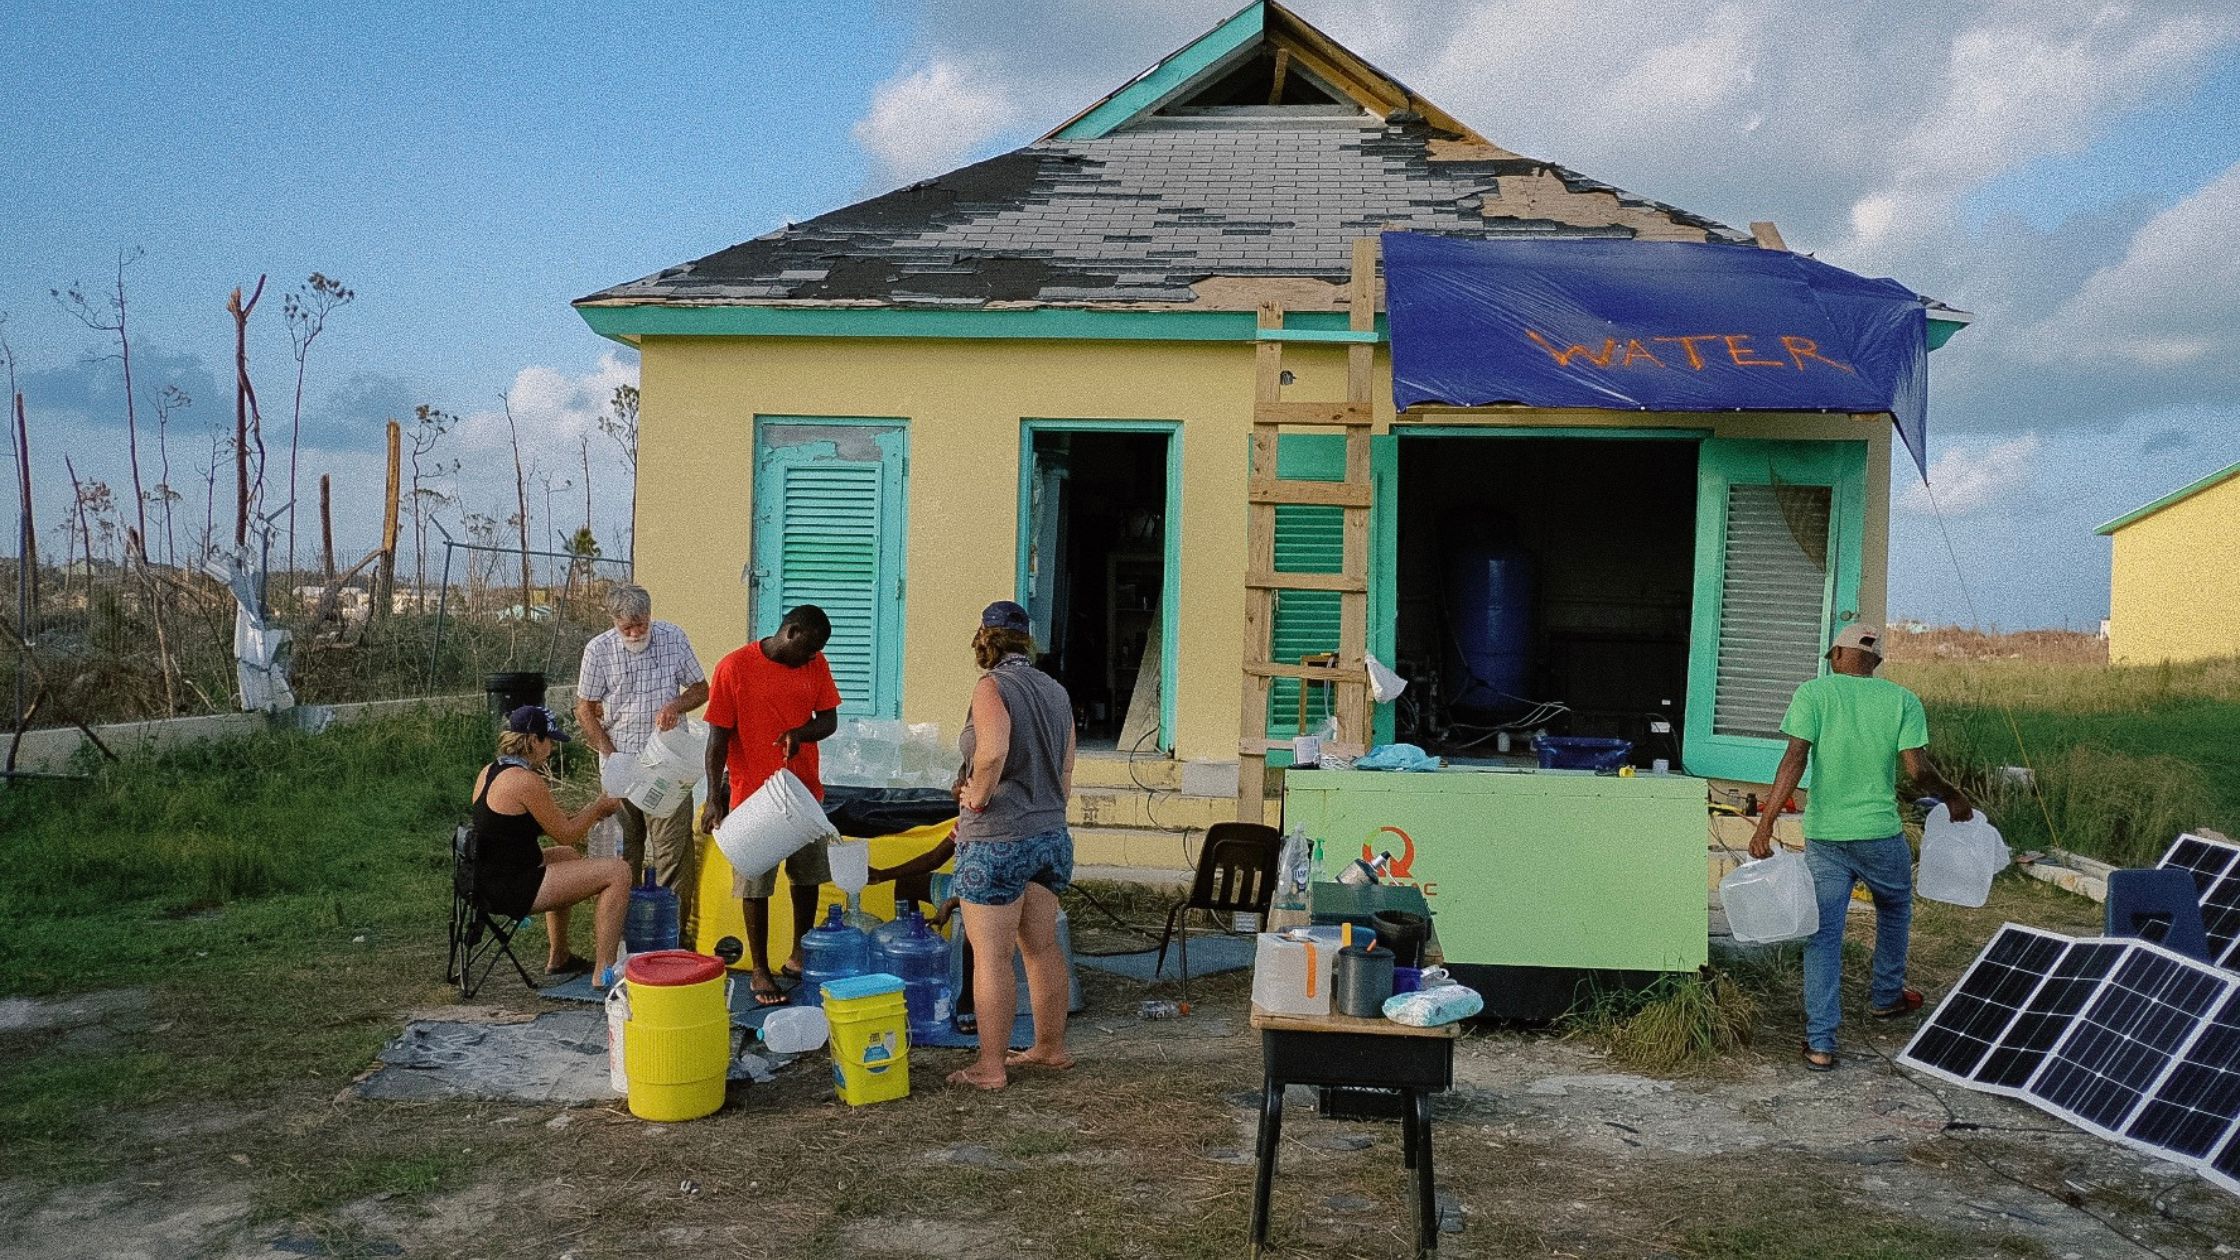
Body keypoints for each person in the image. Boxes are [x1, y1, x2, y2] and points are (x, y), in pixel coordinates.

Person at [1750, 623, 1974, 1072]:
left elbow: (1793, 759)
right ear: (1875, 661)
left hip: (1827, 836)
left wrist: (1766, 823)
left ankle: (1820, 1043)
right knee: (1894, 907)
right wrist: (1952, 795)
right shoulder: (1902, 700)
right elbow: (1918, 770)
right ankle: (1887, 997)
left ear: (1836, 655)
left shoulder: (1813, 695)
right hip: (1879, 833)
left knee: (1824, 934)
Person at [947, 600, 1077, 1090]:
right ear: (1028, 640)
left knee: (992, 957)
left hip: (997, 838)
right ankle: (1050, 1046)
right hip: (1049, 834)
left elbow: (994, 748)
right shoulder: (1056, 691)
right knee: (1041, 948)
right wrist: (1045, 807)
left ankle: (990, 1066)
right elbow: (1066, 771)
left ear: (985, 639)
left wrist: (976, 798)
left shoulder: (991, 686)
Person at [698, 605, 841, 1006]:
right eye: (809, 650)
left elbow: (828, 721)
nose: (814, 658)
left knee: (808, 877)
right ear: (791, 633)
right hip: (752, 798)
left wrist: (801, 732)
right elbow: (717, 742)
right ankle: (759, 969)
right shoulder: (734, 667)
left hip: (803, 793)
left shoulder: (815, 663)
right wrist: (713, 798)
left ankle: (799, 955)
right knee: (756, 884)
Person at [574, 583, 709, 943]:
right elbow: (584, 709)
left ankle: (672, 937)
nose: (636, 632)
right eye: (627, 627)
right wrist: (606, 749)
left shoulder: (673, 638)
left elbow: (701, 688)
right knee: (623, 853)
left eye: (641, 624)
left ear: (650, 615)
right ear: (614, 621)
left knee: (673, 852)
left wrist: (675, 706)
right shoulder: (598, 650)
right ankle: (624, 936)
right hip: (620, 763)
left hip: (666, 763)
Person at [467, 705, 632, 984]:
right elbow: (566, 833)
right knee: (618, 872)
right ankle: (605, 971)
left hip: (482, 880)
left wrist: (591, 811)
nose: (552, 748)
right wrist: (596, 809)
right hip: (512, 888)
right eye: (549, 740)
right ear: (533, 741)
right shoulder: (525, 781)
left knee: (567, 856)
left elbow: (550, 827)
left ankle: (559, 956)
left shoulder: (490, 771)